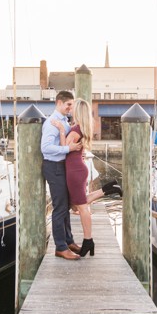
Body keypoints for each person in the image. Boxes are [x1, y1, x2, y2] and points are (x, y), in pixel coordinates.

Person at [52, 98, 116, 257]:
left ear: (78, 111)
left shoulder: (75, 130)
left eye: (73, 108)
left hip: (74, 171)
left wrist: (61, 129)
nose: (71, 109)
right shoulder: (81, 128)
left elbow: (63, 148)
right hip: (78, 170)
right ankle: (108, 189)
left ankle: (88, 240)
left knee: (80, 207)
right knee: (76, 205)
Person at [41, 91, 82, 260]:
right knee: (59, 207)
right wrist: (69, 149)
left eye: (71, 105)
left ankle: (68, 240)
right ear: (59, 102)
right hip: (53, 166)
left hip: (61, 166)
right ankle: (60, 247)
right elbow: (46, 148)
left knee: (65, 206)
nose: (70, 108)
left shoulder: (63, 121)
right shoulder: (52, 123)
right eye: (68, 105)